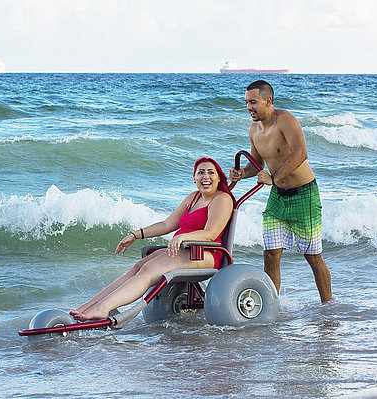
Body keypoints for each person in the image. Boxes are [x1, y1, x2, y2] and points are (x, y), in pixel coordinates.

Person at [70, 157, 235, 321]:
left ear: (219, 177)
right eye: (200, 172)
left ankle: (102, 308)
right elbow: (166, 224)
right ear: (194, 178)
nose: (205, 176)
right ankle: (89, 306)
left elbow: (210, 233)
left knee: (148, 271)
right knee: (137, 267)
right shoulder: (193, 198)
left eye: (211, 172)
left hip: (205, 253)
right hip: (185, 250)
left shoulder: (222, 199)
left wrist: (184, 237)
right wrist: (136, 234)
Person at [229, 80, 332, 303]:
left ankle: (328, 307)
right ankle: (271, 305)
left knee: (313, 257)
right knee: (271, 254)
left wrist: (274, 178)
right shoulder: (254, 130)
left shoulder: (285, 119)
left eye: (253, 102)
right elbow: (257, 165)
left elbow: (301, 153)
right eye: (247, 102)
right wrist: (241, 174)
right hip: (277, 197)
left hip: (304, 193)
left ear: (268, 101)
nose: (249, 107)